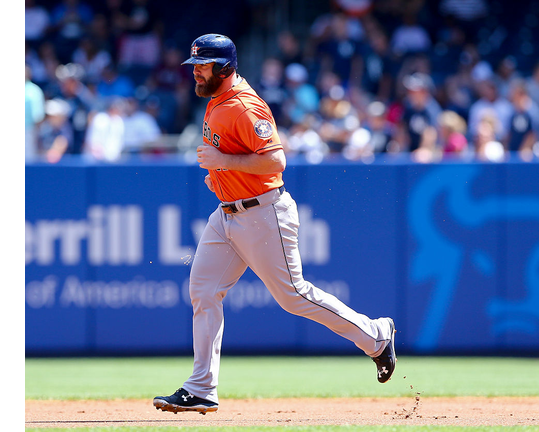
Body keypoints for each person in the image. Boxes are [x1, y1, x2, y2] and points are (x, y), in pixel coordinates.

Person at [153, 33, 397, 415]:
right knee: (202, 290)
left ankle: (377, 335)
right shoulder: (217, 98)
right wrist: (222, 175)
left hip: (263, 214)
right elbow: (231, 156)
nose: (196, 73)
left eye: (203, 66)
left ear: (225, 67)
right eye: (195, 65)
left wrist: (225, 164)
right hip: (227, 213)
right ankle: (201, 388)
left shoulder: (246, 107)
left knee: (293, 296)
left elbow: (275, 161)